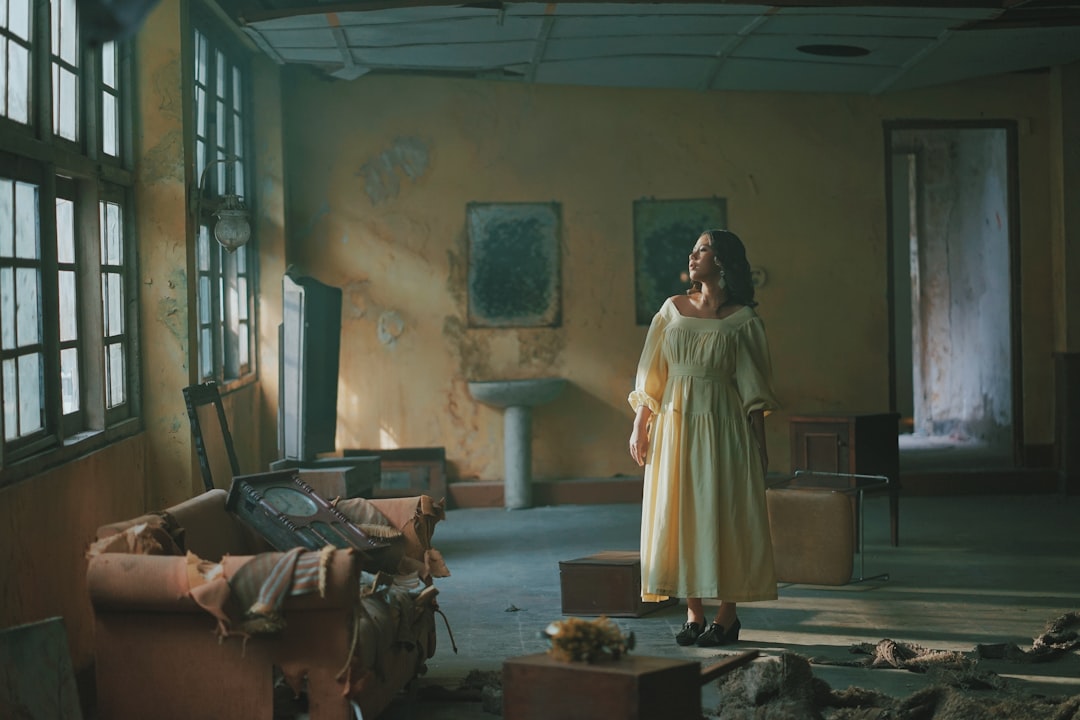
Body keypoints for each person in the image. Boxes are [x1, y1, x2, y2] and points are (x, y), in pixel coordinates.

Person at [628, 229, 779, 648]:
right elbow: (651, 372)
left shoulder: (743, 320)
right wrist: (640, 424)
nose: (694, 256)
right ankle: (693, 613)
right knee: (679, 512)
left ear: (724, 260)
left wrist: (760, 446)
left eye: (704, 249)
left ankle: (727, 616)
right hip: (675, 426)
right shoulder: (672, 310)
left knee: (726, 513)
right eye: (693, 250)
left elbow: (754, 390)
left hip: (724, 426)